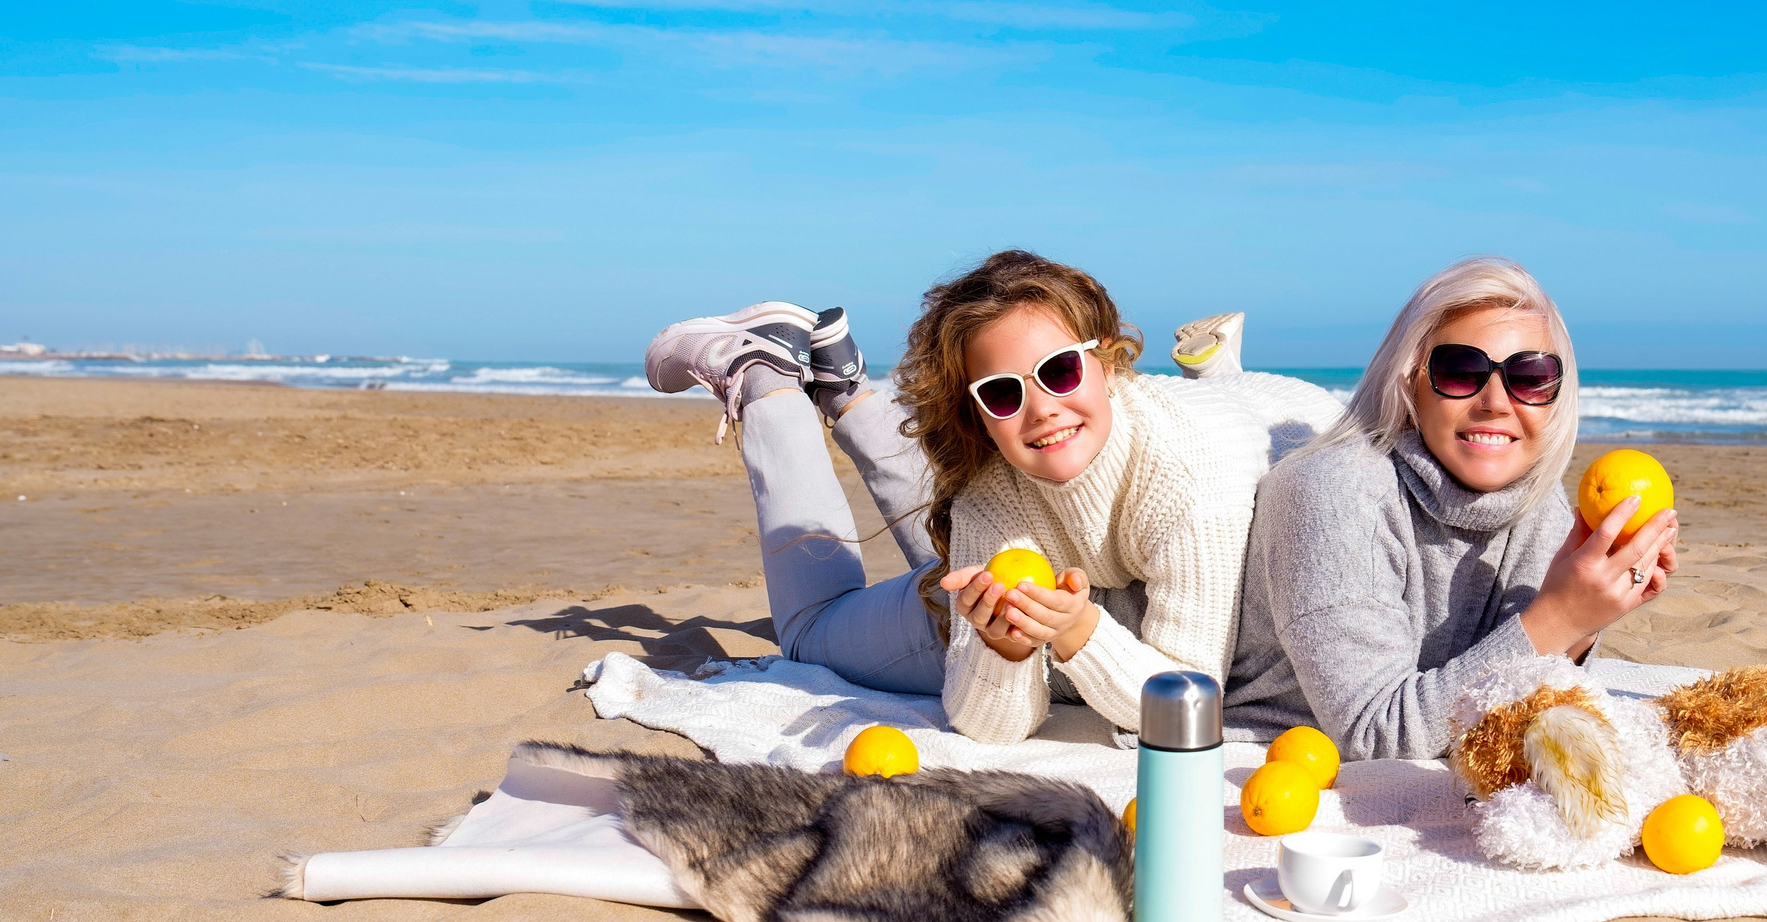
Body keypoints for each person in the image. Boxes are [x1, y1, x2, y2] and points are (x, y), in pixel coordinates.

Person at [642, 251, 1335, 745]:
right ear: (974, 410)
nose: (1041, 409)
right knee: (813, 630)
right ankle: (773, 377)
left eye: (1060, 370)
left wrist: (1073, 631)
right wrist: (1002, 652)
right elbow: (986, 725)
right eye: (1002, 392)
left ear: (1111, 360)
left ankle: (825, 383)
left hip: (1235, 439)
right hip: (1087, 508)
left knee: (828, 620)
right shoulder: (992, 495)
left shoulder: (1186, 473)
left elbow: (1187, 700)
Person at [1224, 257, 1677, 759]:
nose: (1497, 402)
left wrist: (1592, 611)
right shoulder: (1332, 492)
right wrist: (1562, 614)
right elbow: (1377, 736)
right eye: (1461, 371)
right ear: (1410, 381)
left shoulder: (1536, 497)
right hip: (1277, 754)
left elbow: (1526, 686)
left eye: (1530, 377)